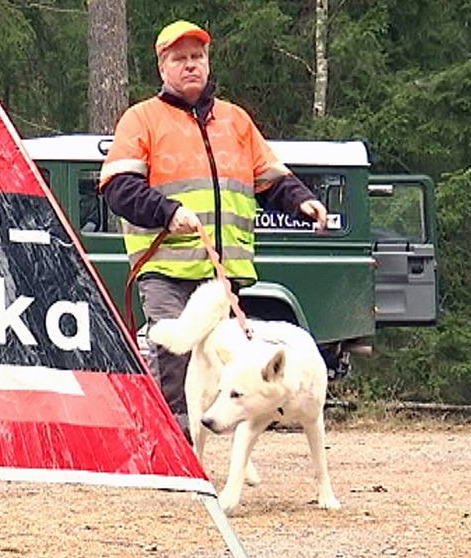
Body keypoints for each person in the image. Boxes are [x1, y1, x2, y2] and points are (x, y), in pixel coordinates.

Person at [99, 20, 328, 439]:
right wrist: (166, 211)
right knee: (175, 355)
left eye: (197, 57)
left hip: (224, 273)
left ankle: (213, 446)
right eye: (180, 58)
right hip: (166, 267)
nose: (191, 66)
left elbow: (270, 178)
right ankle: (178, 445)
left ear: (207, 63)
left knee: (226, 361)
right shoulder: (140, 120)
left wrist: (301, 201)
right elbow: (117, 187)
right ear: (162, 67)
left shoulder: (237, 121)